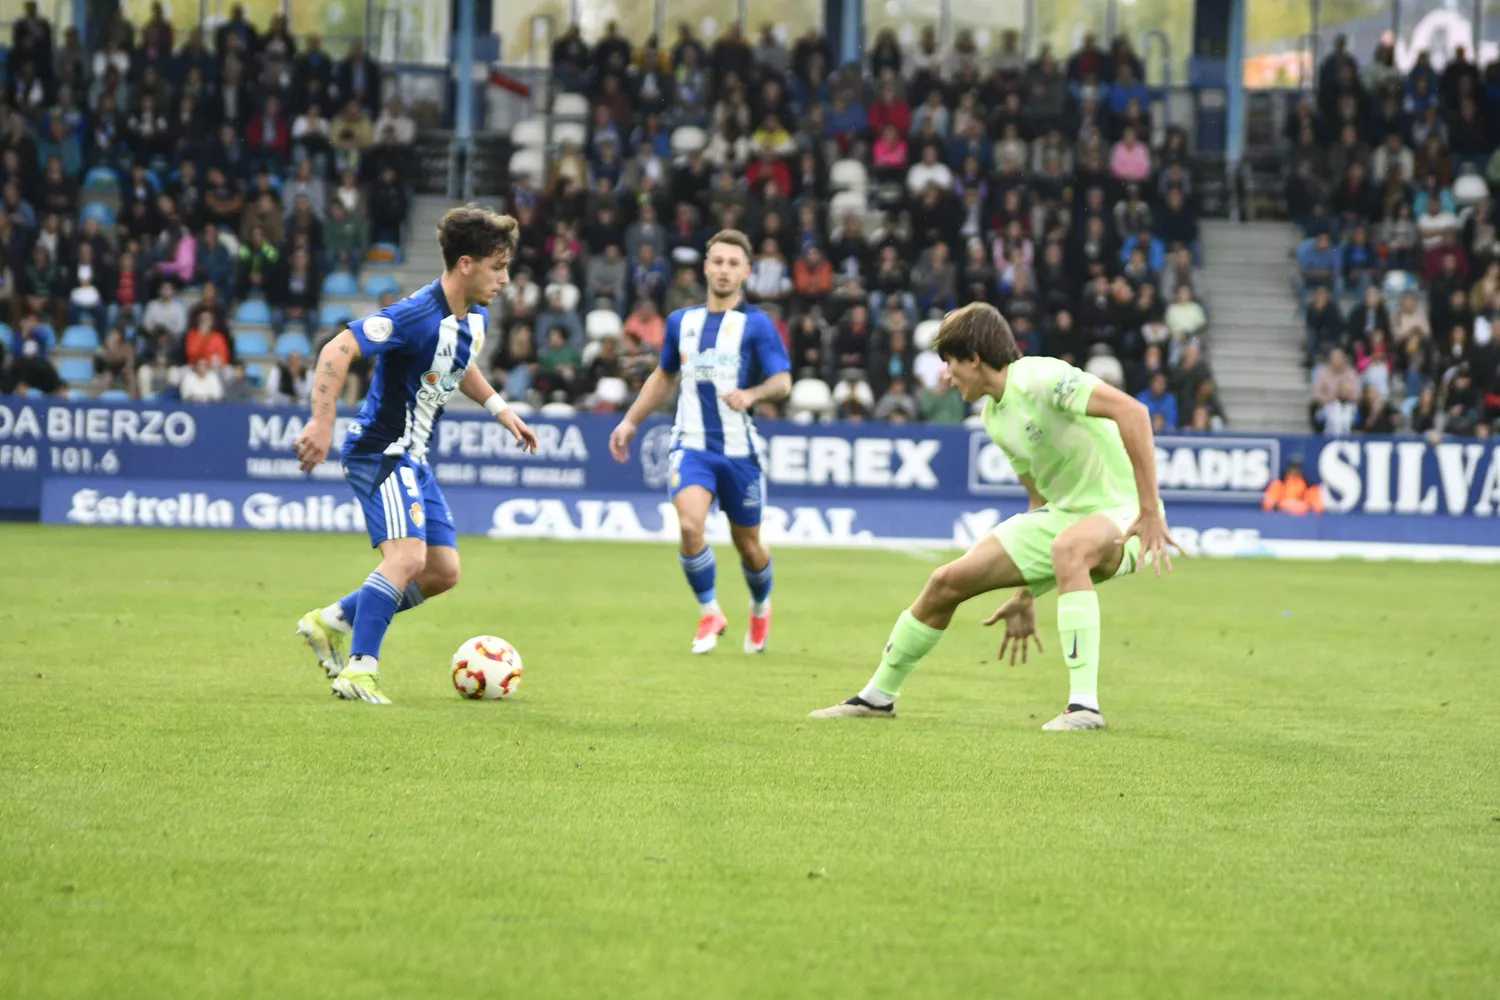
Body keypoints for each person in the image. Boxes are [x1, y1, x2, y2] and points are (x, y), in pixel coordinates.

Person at [810, 303, 1179, 730]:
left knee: (1070, 547)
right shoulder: (993, 417)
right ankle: (877, 698)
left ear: (974, 358)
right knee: (945, 582)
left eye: (950, 362)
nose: (947, 376)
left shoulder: (1043, 378)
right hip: (1065, 517)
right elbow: (1039, 505)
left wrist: (1149, 509)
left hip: (1125, 514)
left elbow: (1133, 412)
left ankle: (1084, 707)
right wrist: (1025, 594)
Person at [292, 206, 540, 704]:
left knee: (443, 571)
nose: (504, 280)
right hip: (380, 451)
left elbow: (458, 362)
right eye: (497, 267)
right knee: (406, 558)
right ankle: (359, 671)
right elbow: (338, 350)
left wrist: (500, 410)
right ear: (465, 264)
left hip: (414, 458)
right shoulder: (415, 315)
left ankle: (331, 621)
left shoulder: (475, 318)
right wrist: (321, 421)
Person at [608, 229, 792, 654]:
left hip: (740, 451)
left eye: (733, 264)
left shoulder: (756, 325)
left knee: (749, 546)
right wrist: (631, 421)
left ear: (746, 272)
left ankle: (760, 607)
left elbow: (782, 381)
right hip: (691, 445)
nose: (724, 270)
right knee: (690, 525)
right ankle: (711, 611)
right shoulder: (681, 322)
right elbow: (664, 375)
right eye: (718, 261)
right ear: (706, 267)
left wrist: (752, 394)